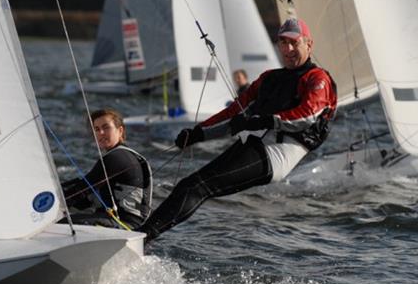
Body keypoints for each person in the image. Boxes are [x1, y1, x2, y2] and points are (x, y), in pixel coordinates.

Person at [139, 17, 337, 243]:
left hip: (277, 154)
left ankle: (142, 238)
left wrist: (264, 121)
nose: (288, 49)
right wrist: (199, 133)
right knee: (189, 185)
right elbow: (234, 112)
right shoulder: (269, 78)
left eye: (295, 43)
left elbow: (308, 115)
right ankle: (141, 235)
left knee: (197, 187)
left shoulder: (318, 78)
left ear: (308, 44)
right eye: (283, 43)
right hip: (254, 144)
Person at [62, 109, 152, 230]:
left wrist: (51, 205)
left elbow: (82, 189)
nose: (101, 133)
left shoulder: (116, 158)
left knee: (59, 223)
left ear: (120, 131)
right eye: (97, 129)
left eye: (106, 127)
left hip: (124, 225)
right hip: (127, 224)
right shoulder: (124, 155)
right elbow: (86, 195)